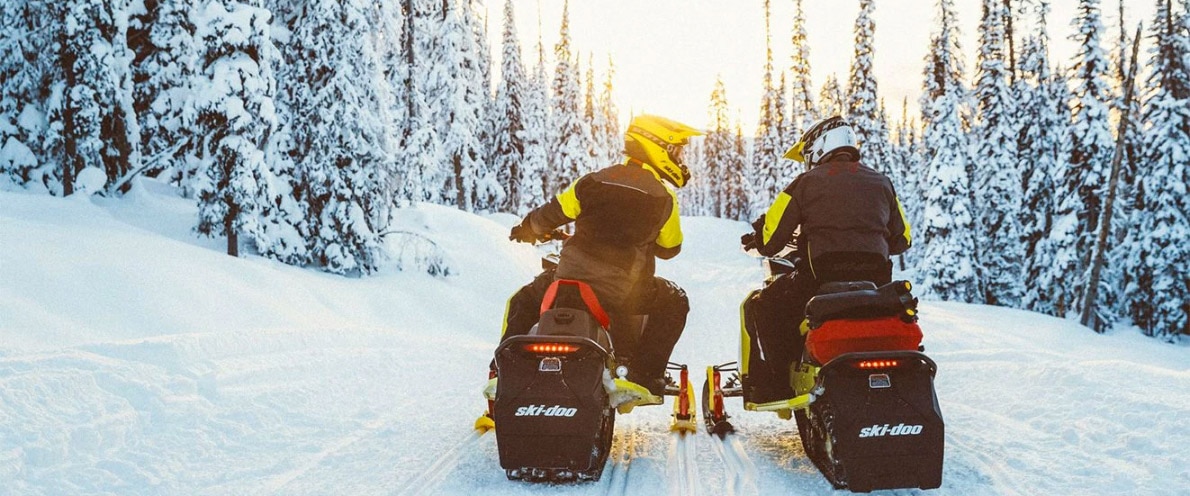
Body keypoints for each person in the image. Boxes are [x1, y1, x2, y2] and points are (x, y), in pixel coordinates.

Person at [501, 114, 702, 398]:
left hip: (567, 282)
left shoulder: (591, 181)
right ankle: (644, 375)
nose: (679, 158)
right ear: (657, 147)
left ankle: (504, 370)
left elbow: (551, 213)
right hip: (622, 293)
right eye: (676, 151)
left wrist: (527, 229)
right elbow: (670, 248)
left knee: (523, 299)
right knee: (675, 301)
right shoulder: (663, 197)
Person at [740, 116, 912, 403]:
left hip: (819, 283)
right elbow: (901, 239)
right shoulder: (882, 183)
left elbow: (771, 242)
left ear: (819, 147)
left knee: (762, 305)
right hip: (875, 287)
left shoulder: (804, 183)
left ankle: (777, 385)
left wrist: (758, 236)